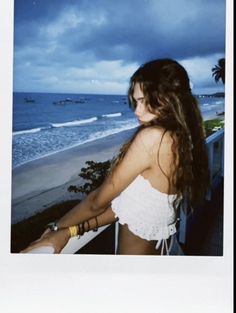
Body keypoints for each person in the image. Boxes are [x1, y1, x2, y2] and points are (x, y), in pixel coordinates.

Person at [22, 59, 209, 255]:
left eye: (145, 101)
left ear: (169, 98)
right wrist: (71, 230)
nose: (137, 111)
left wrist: (54, 228)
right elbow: (127, 210)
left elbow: (97, 202)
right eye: (136, 102)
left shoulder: (153, 138)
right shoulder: (182, 138)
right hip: (164, 252)